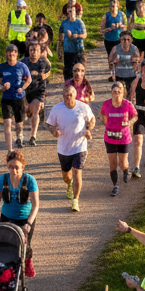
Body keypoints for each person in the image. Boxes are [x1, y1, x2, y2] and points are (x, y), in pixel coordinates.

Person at [0, 150, 39, 279]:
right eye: (11, 167)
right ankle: (8, 268)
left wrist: (29, 223)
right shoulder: (2, 180)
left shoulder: (30, 181)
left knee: (25, 244)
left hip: (25, 219)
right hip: (7, 217)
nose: (14, 170)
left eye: (17, 167)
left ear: (23, 167)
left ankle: (27, 261)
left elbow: (35, 205)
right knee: (6, 244)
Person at [46, 85, 95, 214]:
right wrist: (54, 132)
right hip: (63, 148)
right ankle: (69, 184)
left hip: (80, 146)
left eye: (70, 95)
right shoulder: (57, 108)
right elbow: (49, 124)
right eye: (65, 95)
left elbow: (92, 119)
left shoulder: (83, 107)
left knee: (77, 172)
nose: (68, 97)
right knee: (66, 175)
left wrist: (88, 129)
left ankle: (75, 200)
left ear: (75, 95)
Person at [99, 82, 136, 196]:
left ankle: (126, 170)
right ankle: (115, 185)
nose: (116, 94)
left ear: (123, 93)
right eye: (114, 92)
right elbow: (101, 115)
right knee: (112, 163)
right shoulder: (106, 104)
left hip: (123, 138)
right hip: (110, 137)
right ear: (111, 92)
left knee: (122, 162)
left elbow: (135, 116)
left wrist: (129, 122)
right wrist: (103, 119)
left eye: (119, 92)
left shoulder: (127, 105)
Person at [0, 44, 32, 151]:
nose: (11, 55)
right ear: (6, 54)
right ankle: (9, 149)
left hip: (19, 98)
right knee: (7, 123)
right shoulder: (2, 67)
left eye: (13, 53)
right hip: (6, 98)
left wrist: (22, 88)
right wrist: (2, 87)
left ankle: (19, 137)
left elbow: (29, 79)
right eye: (9, 53)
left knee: (19, 124)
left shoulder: (22, 66)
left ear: (16, 54)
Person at [23, 40, 52, 147]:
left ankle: (33, 137)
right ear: (29, 51)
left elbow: (44, 75)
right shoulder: (23, 62)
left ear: (40, 52)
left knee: (35, 108)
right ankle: (19, 136)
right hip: (25, 92)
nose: (34, 52)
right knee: (27, 113)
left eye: (36, 50)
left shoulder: (43, 62)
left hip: (38, 91)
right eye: (31, 50)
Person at [59, 7, 88, 81]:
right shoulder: (64, 23)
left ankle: (80, 87)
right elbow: (60, 37)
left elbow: (85, 35)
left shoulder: (79, 23)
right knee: (68, 71)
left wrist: (77, 36)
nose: (70, 13)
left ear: (75, 12)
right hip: (68, 50)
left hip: (79, 51)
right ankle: (69, 87)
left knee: (80, 70)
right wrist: (59, 49)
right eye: (69, 11)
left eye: (72, 11)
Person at [108, 31, 140, 98]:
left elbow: (138, 60)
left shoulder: (134, 49)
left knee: (130, 95)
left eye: (128, 39)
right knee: (120, 95)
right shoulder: (116, 48)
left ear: (131, 40)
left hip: (131, 75)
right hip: (119, 75)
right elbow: (110, 62)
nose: (126, 41)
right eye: (123, 39)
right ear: (120, 40)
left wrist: (134, 60)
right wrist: (114, 61)